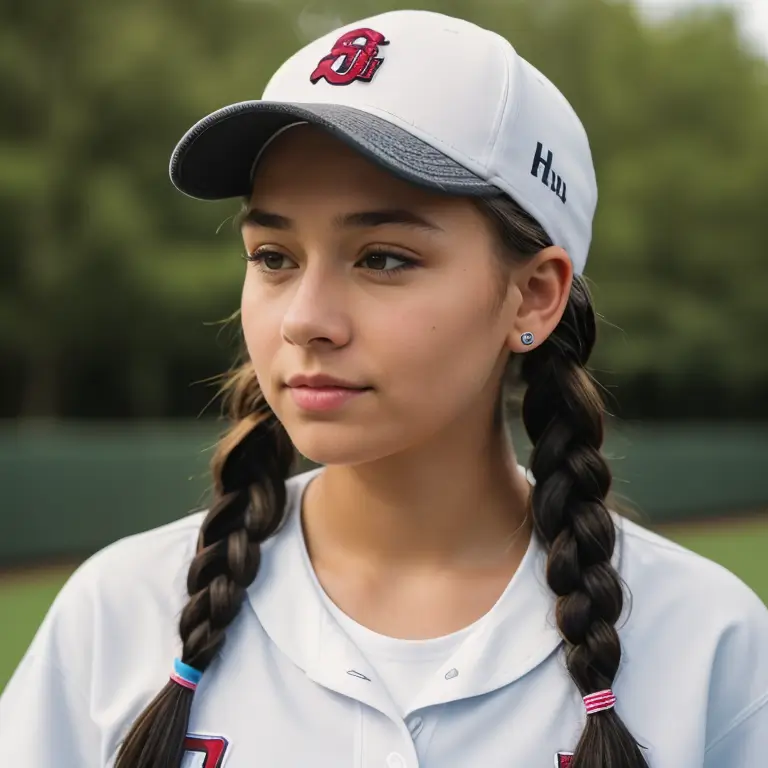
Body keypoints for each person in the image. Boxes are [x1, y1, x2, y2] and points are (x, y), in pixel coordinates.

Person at [1, 9, 766, 768]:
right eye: (272, 256)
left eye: (383, 259)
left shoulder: (707, 644)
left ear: (534, 296)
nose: (304, 320)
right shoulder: (117, 614)